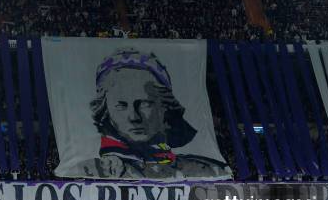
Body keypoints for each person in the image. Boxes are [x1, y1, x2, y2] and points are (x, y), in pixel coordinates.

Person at [77, 48, 229, 179]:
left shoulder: (208, 171)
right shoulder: (86, 171)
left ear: (164, 107)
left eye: (144, 104)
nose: (134, 117)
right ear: (105, 110)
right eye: (121, 106)